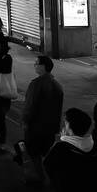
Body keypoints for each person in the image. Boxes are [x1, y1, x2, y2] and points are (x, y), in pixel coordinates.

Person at [18, 55, 64, 185]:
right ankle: (50, 177)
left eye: (37, 63)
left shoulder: (36, 84)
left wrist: (25, 121)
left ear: (43, 66)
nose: (34, 65)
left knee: (33, 152)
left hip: (36, 126)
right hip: (50, 127)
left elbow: (30, 106)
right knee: (46, 152)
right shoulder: (57, 85)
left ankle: (39, 177)